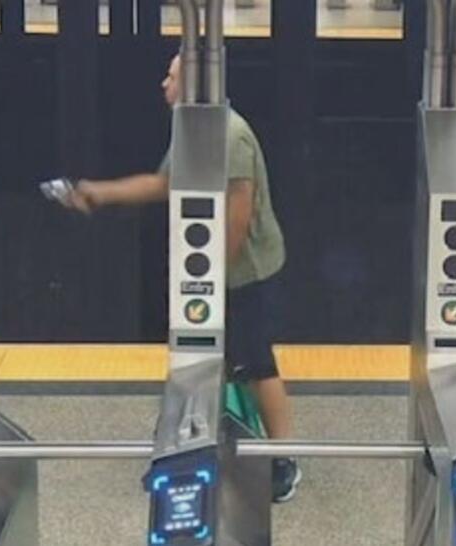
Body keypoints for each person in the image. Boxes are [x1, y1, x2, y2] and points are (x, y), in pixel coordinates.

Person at [48, 54, 300, 503]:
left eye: (171, 76)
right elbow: (163, 184)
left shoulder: (231, 135)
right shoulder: (193, 129)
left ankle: (285, 459)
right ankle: (192, 447)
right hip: (212, 274)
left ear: (197, 83)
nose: (163, 82)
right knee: (208, 360)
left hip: (247, 272)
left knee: (256, 363)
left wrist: (208, 283)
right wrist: (99, 193)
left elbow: (239, 217)